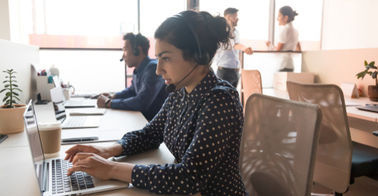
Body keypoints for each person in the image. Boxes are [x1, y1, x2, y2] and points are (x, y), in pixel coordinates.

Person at [65, 10, 248, 196]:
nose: (158, 70)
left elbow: (190, 177)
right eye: (158, 58)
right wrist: (106, 150)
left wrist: (111, 169)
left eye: (166, 58)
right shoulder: (179, 93)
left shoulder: (220, 101)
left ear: (198, 56)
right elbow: (150, 134)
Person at [96, 33, 168, 121]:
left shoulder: (152, 69)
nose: (123, 56)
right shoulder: (139, 70)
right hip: (142, 119)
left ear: (137, 50)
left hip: (154, 125)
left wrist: (109, 103)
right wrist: (114, 96)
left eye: (125, 50)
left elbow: (142, 102)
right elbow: (131, 91)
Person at [213, 7, 253, 88]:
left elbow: (237, 51)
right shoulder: (224, 31)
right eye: (235, 16)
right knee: (224, 98)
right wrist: (245, 48)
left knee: (233, 98)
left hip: (235, 71)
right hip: (224, 71)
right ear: (228, 17)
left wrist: (239, 67)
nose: (237, 19)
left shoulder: (236, 32)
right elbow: (234, 45)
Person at [266, 6, 301, 72]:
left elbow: (278, 51)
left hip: (283, 65)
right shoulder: (295, 30)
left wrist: (270, 47)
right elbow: (298, 49)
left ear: (286, 17)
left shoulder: (285, 30)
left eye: (279, 16)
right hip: (290, 65)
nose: (277, 19)